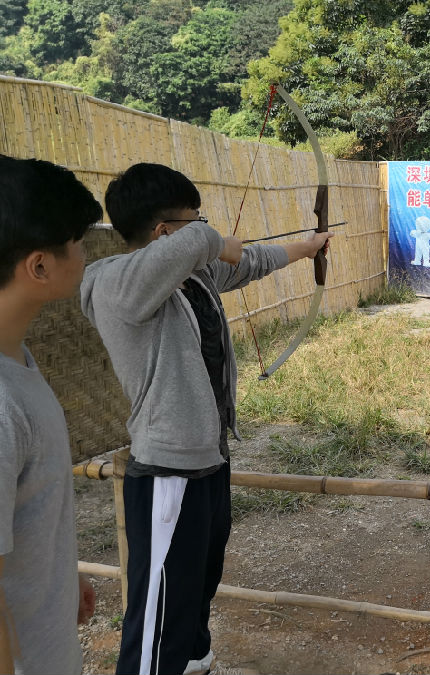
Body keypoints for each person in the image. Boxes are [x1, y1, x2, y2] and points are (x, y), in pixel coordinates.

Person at [80, 162, 333, 675]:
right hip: (166, 475)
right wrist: (211, 236)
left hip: (210, 465)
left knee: (196, 593)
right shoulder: (111, 284)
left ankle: (195, 663)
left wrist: (308, 246)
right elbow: (203, 245)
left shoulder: (190, 275)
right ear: (164, 232)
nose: (205, 231)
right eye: (194, 222)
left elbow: (252, 260)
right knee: (157, 622)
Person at [0, 156, 99, 674]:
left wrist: (64, 578)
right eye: (78, 243)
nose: (85, 255)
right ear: (39, 266)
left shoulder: (17, 359)